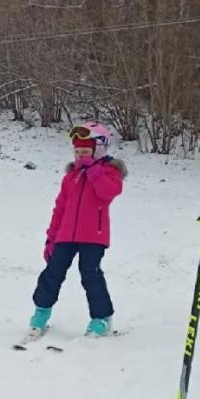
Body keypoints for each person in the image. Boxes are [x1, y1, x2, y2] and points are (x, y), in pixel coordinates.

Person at [28, 122, 126, 337]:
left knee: (90, 274)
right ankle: (41, 312)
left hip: (93, 236)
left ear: (98, 150)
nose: (81, 156)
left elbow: (109, 193)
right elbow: (60, 209)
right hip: (65, 235)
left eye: (86, 152)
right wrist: (51, 239)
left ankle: (101, 318)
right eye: (78, 152)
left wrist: (95, 172)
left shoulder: (109, 173)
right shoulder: (71, 177)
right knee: (53, 272)